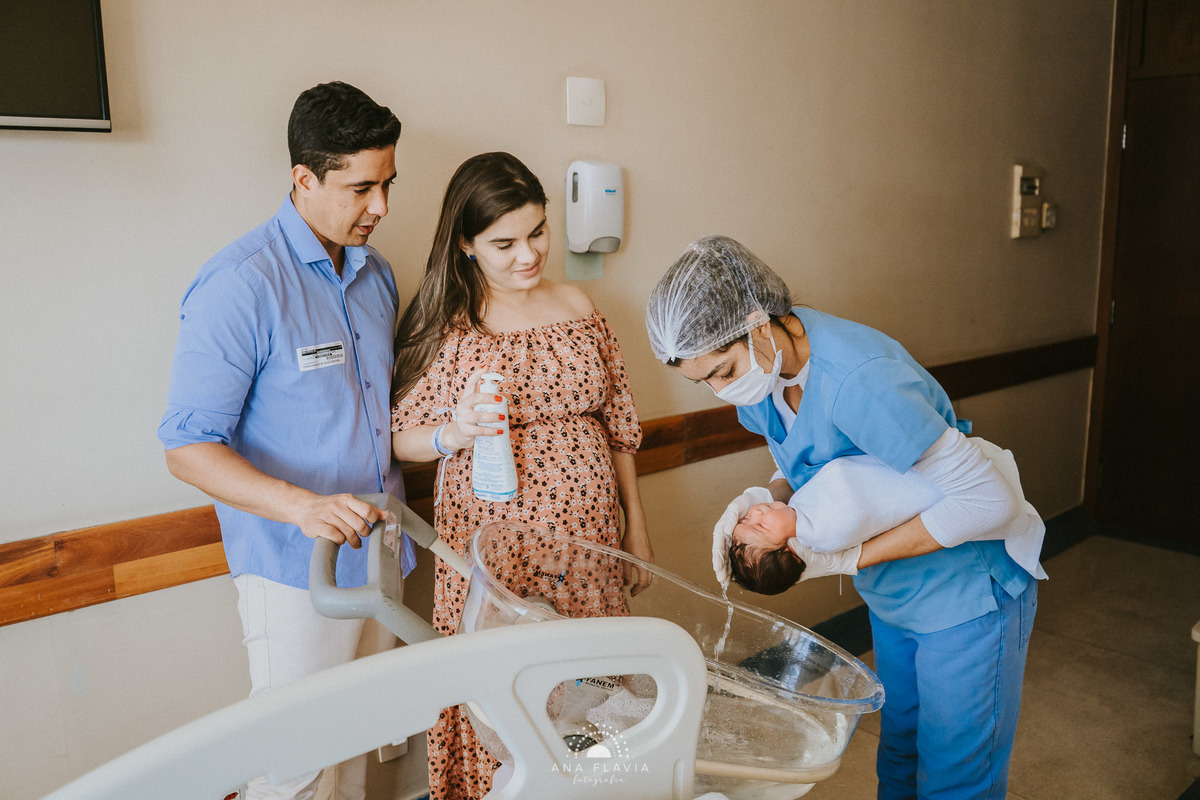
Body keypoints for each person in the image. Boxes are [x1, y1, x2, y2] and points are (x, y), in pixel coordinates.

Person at [645, 235, 1045, 800]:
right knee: (901, 747)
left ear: (759, 323)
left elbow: (986, 501)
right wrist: (767, 496)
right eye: (703, 381)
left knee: (957, 773)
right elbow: (807, 459)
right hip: (893, 593)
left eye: (722, 369)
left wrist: (849, 556)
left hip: (963, 592)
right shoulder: (767, 370)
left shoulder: (860, 380)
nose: (720, 390)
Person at [157, 81, 405, 800]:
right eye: (362, 188)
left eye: (388, 184)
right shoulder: (240, 285)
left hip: (381, 552)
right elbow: (186, 446)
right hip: (292, 567)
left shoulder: (378, 276)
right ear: (304, 178)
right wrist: (301, 507)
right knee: (295, 772)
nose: (382, 207)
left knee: (355, 758)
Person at [391, 151, 653, 800]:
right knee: (505, 703)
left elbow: (620, 424)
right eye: (504, 243)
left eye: (537, 232)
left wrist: (636, 532)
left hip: (589, 547)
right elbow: (397, 439)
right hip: (495, 558)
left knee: (592, 699)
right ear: (466, 244)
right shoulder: (448, 326)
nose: (528, 255)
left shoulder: (577, 304)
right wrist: (450, 434)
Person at [726, 436, 1047, 595]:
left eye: (746, 518)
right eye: (760, 526)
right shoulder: (823, 532)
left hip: (960, 485)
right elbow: (856, 501)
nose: (755, 511)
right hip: (938, 497)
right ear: (789, 549)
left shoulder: (801, 514)